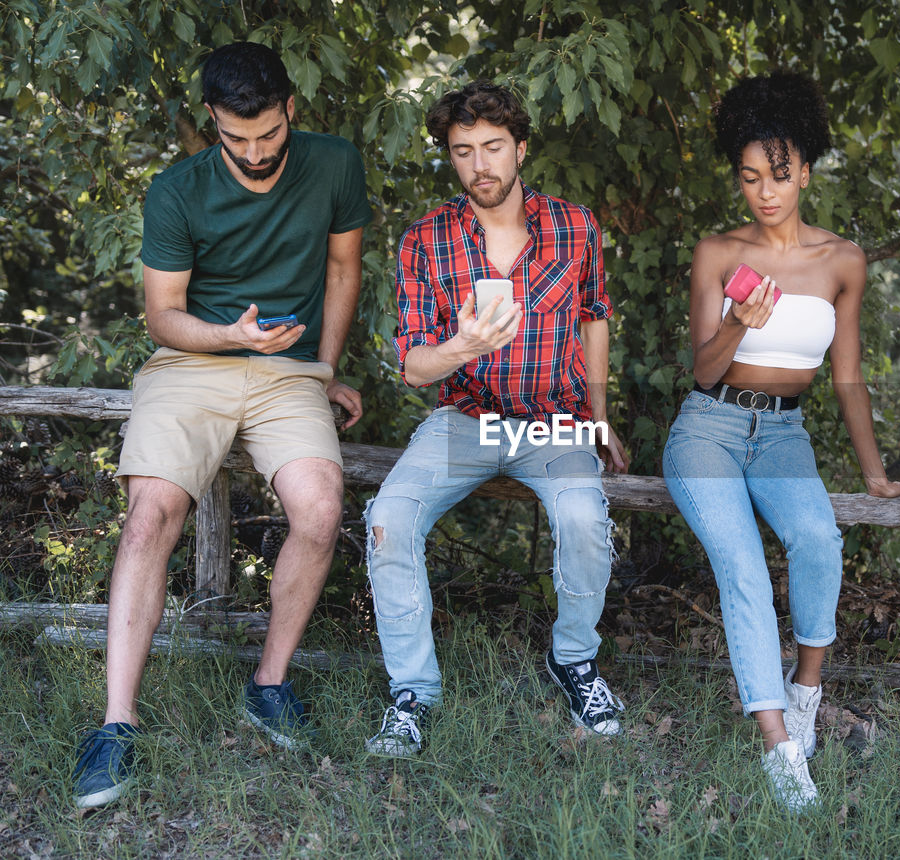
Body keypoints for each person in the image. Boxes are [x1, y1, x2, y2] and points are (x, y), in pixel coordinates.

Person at [70, 42, 371, 808]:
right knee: (150, 515)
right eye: (238, 139)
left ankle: (268, 684)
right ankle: (115, 726)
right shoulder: (178, 190)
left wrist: (325, 368)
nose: (257, 152)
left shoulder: (334, 164)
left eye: (269, 135)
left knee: (321, 509)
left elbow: (343, 270)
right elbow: (163, 316)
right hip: (193, 363)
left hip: (288, 371)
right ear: (213, 121)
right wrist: (231, 335)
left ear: (290, 110)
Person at [661, 73, 900, 812]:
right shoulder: (716, 253)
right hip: (707, 427)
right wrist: (741, 320)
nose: (765, 192)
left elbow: (847, 377)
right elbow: (703, 366)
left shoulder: (843, 261)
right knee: (741, 567)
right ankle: (778, 748)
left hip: (782, 434)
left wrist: (873, 474)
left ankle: (805, 689)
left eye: (779, 174)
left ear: (805, 169)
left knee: (818, 539)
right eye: (749, 177)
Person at [363, 81, 630, 756]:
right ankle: (412, 693)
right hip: (467, 420)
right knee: (388, 519)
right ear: (449, 159)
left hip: (552, 424)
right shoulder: (425, 238)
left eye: (492, 148)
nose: (479, 165)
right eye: (462, 152)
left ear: (520, 149)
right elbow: (415, 367)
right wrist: (463, 348)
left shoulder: (574, 226)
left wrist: (598, 416)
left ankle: (574, 660)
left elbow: (594, 316)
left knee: (582, 519)